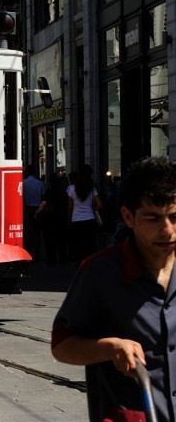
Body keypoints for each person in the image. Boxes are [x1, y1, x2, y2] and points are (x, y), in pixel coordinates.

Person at [52, 156, 176, 422]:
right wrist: (109, 348)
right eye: (153, 218)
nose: (167, 230)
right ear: (128, 217)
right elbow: (62, 346)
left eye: (175, 217)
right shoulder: (99, 273)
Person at [67, 164, 102, 263]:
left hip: (76, 219)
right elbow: (99, 205)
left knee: (78, 244)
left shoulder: (72, 189)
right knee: (90, 244)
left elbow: (70, 207)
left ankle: (80, 263)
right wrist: (92, 208)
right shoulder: (91, 188)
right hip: (90, 219)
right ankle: (89, 263)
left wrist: (69, 220)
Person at [23, 166, 46, 260]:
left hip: (27, 209)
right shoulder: (40, 183)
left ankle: (27, 251)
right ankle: (37, 252)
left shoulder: (23, 183)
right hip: (38, 209)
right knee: (37, 232)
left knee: (28, 231)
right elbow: (43, 197)